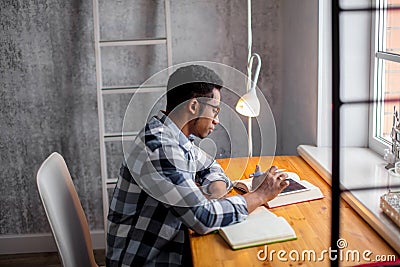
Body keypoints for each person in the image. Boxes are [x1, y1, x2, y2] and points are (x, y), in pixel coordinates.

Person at [106, 64, 288, 267]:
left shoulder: (172, 135)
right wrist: (260, 195)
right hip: (144, 260)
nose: (217, 120)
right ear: (193, 107)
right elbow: (204, 218)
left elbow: (209, 165)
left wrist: (215, 186)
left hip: (167, 246)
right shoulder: (160, 148)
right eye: (215, 110)